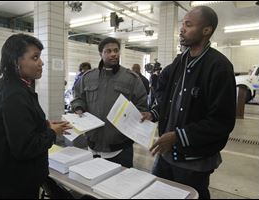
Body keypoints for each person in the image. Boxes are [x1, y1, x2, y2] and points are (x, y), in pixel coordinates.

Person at [141, 6, 236, 199]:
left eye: (188, 24)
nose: (182, 29)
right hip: (166, 156)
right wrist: (154, 113)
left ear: (206, 30)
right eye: (182, 24)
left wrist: (178, 136)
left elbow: (221, 122)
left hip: (194, 161)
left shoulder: (219, 67)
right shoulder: (180, 62)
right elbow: (164, 91)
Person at [0, 33, 72, 199]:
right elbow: (25, 148)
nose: (41, 62)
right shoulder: (14, 94)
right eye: (35, 57)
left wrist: (44, 126)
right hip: (9, 185)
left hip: (7, 178)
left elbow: (17, 127)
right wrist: (52, 132)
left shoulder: (11, 85)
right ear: (16, 61)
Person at [71, 37, 148, 168]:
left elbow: (141, 105)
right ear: (101, 54)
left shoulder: (131, 79)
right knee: (93, 184)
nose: (113, 54)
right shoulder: (88, 77)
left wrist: (137, 117)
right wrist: (78, 107)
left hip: (121, 148)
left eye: (116, 50)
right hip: (93, 145)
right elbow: (78, 97)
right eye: (108, 51)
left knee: (120, 186)